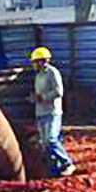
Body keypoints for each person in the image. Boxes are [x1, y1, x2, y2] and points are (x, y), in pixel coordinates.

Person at [31, 47, 75, 177]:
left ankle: (67, 163)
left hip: (52, 112)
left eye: (35, 62)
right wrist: (35, 98)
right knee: (45, 144)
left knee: (51, 140)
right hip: (40, 112)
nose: (34, 64)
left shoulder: (52, 73)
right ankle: (54, 170)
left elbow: (58, 92)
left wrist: (42, 97)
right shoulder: (38, 76)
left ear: (42, 61)